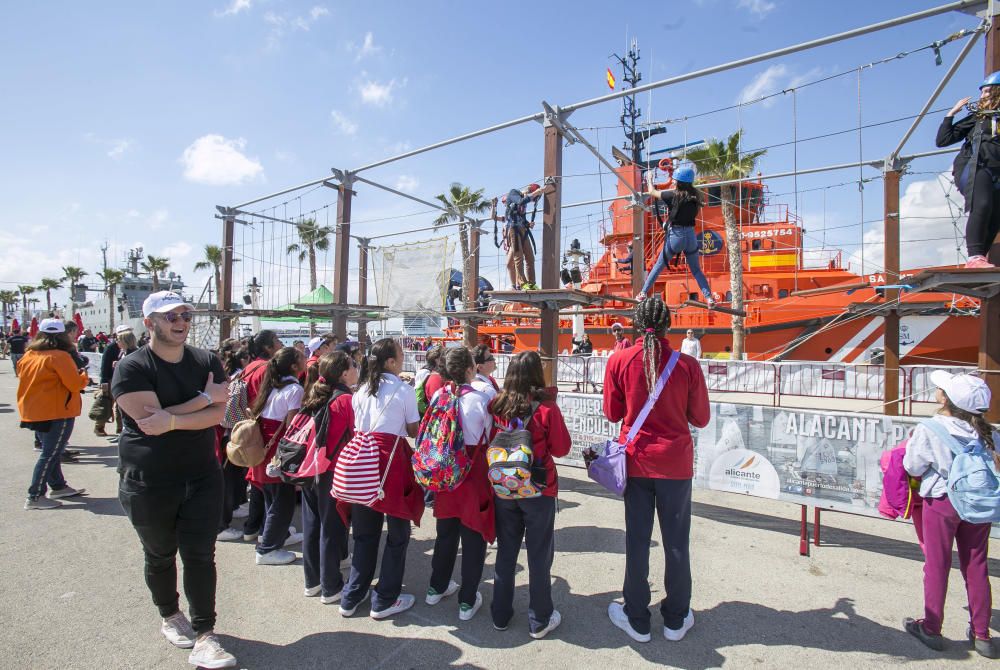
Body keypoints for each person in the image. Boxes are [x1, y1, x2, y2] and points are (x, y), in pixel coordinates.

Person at [111, 290, 236, 668]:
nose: (181, 321)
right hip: (149, 479)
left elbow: (218, 415)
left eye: (185, 314)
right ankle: (169, 614)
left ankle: (205, 634)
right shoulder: (131, 367)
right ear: (149, 323)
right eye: (170, 316)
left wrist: (176, 419)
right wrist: (201, 399)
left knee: (200, 555)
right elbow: (150, 423)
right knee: (160, 554)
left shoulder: (207, 359)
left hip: (201, 475)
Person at [602, 295, 710, 644]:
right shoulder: (688, 365)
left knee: (637, 540)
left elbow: (612, 412)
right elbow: (701, 418)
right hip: (675, 465)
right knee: (677, 543)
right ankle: (676, 618)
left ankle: (637, 617)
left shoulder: (619, 360)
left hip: (635, 462)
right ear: (670, 325)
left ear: (635, 323)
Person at [902, 371, 999, 658]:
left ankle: (932, 627)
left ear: (945, 398)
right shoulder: (989, 433)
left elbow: (913, 466)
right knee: (977, 564)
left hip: (942, 500)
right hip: (978, 502)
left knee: (937, 563)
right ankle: (982, 634)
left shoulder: (931, 428)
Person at [337, 338, 423, 620]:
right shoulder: (404, 389)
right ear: (390, 362)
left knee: (364, 533)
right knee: (398, 534)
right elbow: (412, 429)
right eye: (399, 356)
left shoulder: (360, 390)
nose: (402, 360)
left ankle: (352, 595)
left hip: (363, 461)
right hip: (391, 462)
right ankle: (385, 597)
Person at [489, 350, 571, 639]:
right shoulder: (547, 409)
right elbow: (561, 448)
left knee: (506, 552)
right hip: (538, 487)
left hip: (504, 487)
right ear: (538, 374)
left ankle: (500, 613)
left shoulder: (496, 404)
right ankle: (540, 618)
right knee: (539, 554)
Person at [425, 348, 494, 621]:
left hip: (445, 471)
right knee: (473, 536)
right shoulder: (483, 397)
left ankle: (436, 587)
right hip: (473, 471)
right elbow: (492, 433)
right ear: (470, 369)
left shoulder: (438, 395)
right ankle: (467, 600)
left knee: (446, 532)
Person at [300, 351, 357, 605]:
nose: (357, 369)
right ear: (344, 373)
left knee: (312, 525)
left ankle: (313, 581)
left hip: (310, 467)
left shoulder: (316, 395)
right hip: (333, 469)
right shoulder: (345, 400)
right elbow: (357, 434)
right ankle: (331, 586)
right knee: (332, 528)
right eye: (353, 366)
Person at [17, 318, 90, 510]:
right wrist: (83, 373)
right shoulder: (59, 356)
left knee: (50, 452)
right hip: (57, 410)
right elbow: (75, 384)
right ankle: (35, 495)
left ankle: (58, 486)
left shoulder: (29, 355)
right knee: (50, 454)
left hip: (34, 410)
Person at [246, 347, 306, 566]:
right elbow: (292, 426)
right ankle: (267, 549)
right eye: (302, 358)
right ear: (293, 365)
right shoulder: (295, 389)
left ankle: (276, 535)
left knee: (271, 497)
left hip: (264, 446)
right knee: (282, 501)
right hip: (279, 450)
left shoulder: (272, 386)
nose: (306, 360)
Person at [937, 75, 1000, 268]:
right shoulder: (978, 118)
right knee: (982, 204)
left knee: (996, 215)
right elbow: (943, 140)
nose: (983, 95)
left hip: (996, 170)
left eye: (987, 91)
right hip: (975, 166)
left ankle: (981, 256)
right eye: (982, 91)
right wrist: (951, 114)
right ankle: (975, 257)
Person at [638, 167, 714, 306]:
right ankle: (709, 298)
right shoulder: (697, 196)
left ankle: (643, 293)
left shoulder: (672, 195)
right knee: (696, 270)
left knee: (658, 266)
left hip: (676, 236)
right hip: (691, 236)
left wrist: (649, 179)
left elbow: (652, 192)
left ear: (678, 182)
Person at [238, 330, 283, 543]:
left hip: (250, 426)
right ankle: (269, 535)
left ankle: (252, 527)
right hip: (266, 429)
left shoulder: (250, 367)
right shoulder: (267, 369)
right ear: (268, 347)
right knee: (270, 485)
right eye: (277, 341)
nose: (281, 343)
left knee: (257, 481)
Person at [491, 185, 542, 290]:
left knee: (513, 262)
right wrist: (494, 206)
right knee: (513, 262)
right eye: (505, 203)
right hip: (512, 238)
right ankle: (517, 284)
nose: (506, 205)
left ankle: (522, 284)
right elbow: (494, 217)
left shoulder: (517, 211)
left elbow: (522, 219)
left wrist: (528, 224)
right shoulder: (508, 216)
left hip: (516, 237)